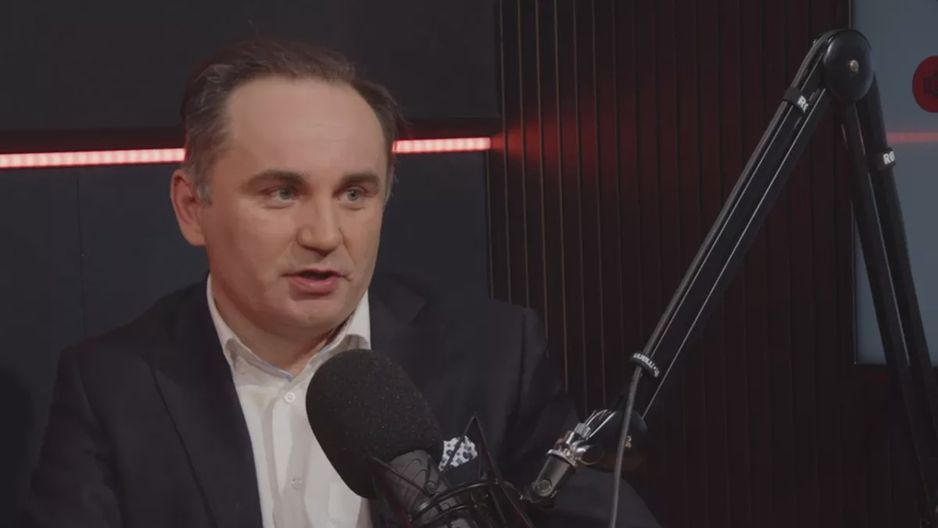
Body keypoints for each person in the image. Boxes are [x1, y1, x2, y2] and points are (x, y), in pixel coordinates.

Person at [20, 38, 660, 528]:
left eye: (355, 193)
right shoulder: (113, 385)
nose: (325, 234)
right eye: (282, 192)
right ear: (192, 207)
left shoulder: (496, 354)